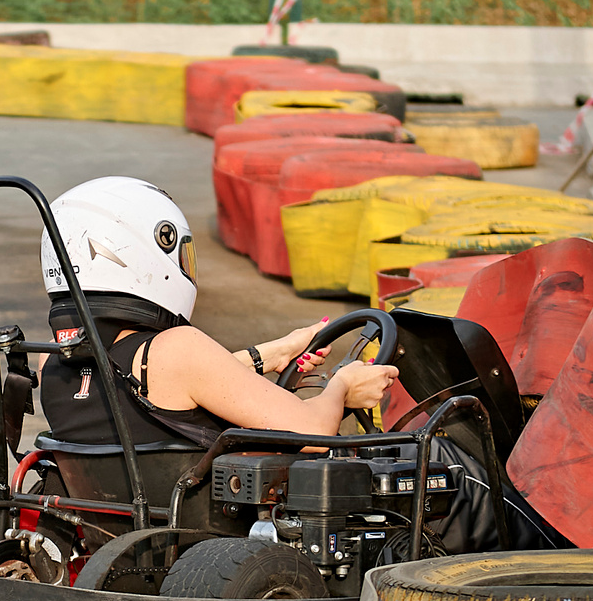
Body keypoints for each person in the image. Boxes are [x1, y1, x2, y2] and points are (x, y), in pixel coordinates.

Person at [32, 176, 400, 450]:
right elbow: (314, 435)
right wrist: (342, 387)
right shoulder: (176, 350)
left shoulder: (53, 359)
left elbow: (161, 391)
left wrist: (268, 355)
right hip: (204, 538)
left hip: (111, 532)